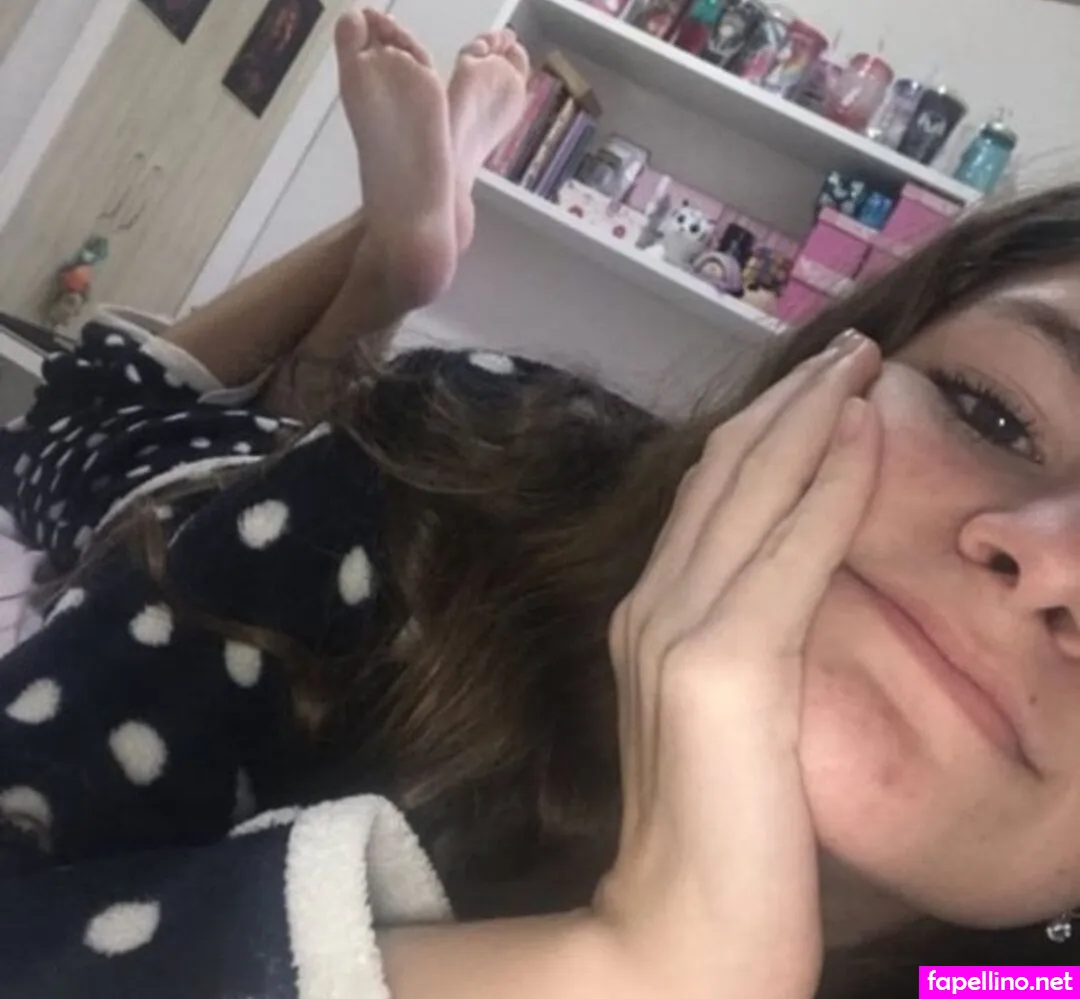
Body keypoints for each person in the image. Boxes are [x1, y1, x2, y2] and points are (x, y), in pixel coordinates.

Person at [3, 6, 1080, 998]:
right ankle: (394, 254)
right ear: (836, 367)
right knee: (91, 426)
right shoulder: (462, 470)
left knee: (187, 414)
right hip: (279, 496)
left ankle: (394, 253)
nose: (1055, 560)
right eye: (993, 414)